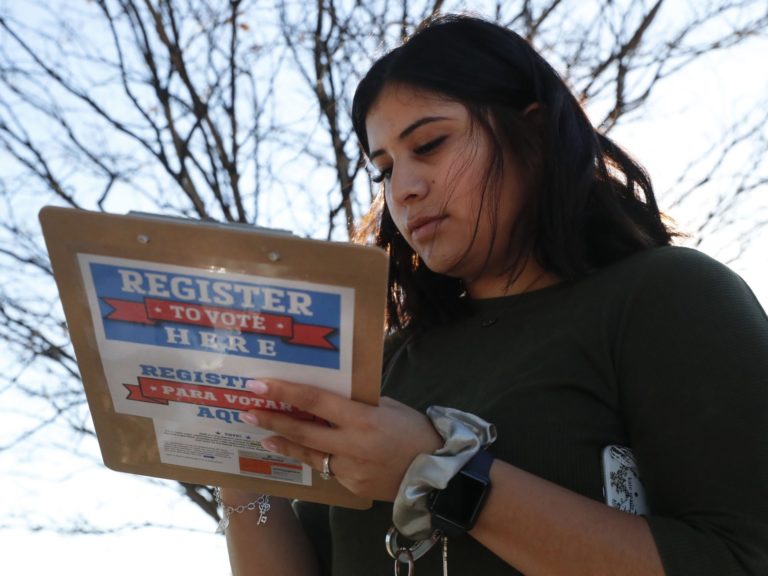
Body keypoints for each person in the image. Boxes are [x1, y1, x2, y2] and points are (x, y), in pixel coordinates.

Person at [219, 13, 768, 576]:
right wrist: (234, 468)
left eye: (429, 144)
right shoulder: (383, 364)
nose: (403, 189)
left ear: (532, 135)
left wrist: (437, 472)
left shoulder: (670, 297)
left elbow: (740, 557)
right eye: (383, 169)